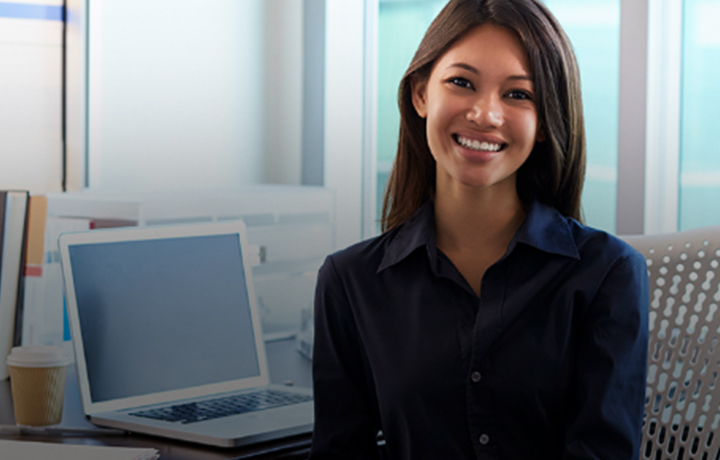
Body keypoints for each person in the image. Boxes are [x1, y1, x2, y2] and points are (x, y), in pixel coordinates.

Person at [309, 0, 649, 458]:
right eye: (461, 83)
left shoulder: (607, 274)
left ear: (546, 122)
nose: (485, 115)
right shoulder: (350, 282)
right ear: (421, 94)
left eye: (518, 95)